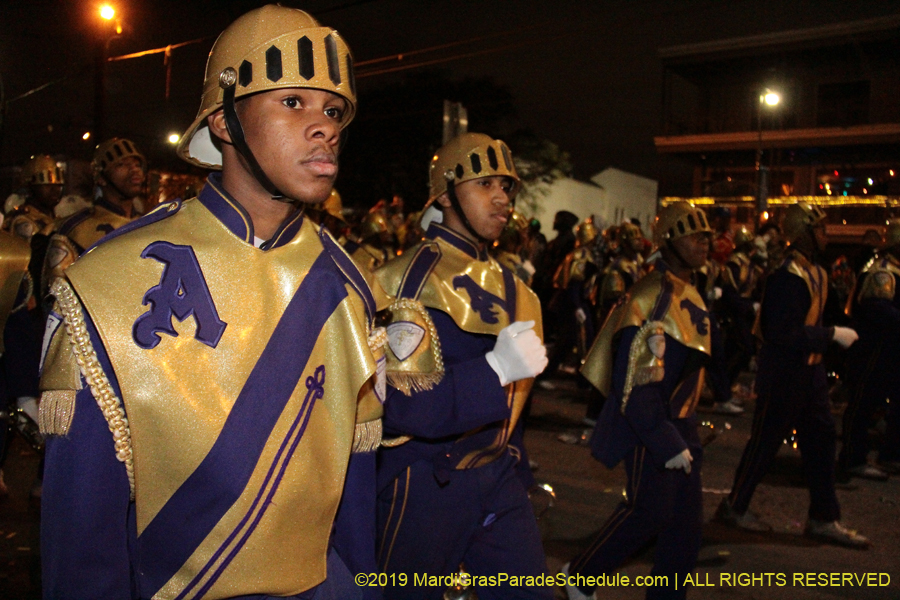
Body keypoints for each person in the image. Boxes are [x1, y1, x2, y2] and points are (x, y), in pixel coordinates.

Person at [38, 6, 387, 598]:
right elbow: (84, 545)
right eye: (293, 103)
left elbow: (352, 510)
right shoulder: (108, 282)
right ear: (224, 122)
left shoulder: (353, 286)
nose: (325, 125)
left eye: (332, 110)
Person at [374, 132, 551, 600]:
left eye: (507, 186)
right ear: (447, 193)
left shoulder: (519, 289)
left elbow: (516, 407)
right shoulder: (403, 279)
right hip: (424, 482)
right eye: (484, 184)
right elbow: (406, 407)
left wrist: (519, 468)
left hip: (497, 474)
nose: (502, 198)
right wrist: (493, 369)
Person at [565, 202, 713, 600]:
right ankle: (580, 575)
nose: (704, 242)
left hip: (678, 422)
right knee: (650, 511)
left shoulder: (687, 289)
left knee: (685, 530)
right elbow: (635, 380)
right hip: (652, 425)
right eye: (693, 235)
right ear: (668, 241)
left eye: (706, 236)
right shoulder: (653, 294)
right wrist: (664, 438)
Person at [716, 201, 869, 548]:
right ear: (803, 233)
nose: (825, 234)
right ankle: (734, 505)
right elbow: (782, 333)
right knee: (765, 443)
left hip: (810, 372)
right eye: (820, 228)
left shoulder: (815, 271)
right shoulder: (787, 276)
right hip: (785, 373)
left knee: (821, 444)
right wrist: (831, 336)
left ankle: (823, 517)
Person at [42, 138, 147, 299]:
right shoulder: (74, 229)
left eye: (136, 164)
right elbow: (57, 299)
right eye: (122, 165)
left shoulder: (152, 223)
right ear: (101, 178)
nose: (134, 170)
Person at [838, 219, 900, 480]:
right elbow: (878, 309)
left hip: (889, 348)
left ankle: (891, 455)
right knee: (863, 404)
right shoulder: (884, 273)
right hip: (874, 349)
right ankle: (853, 458)